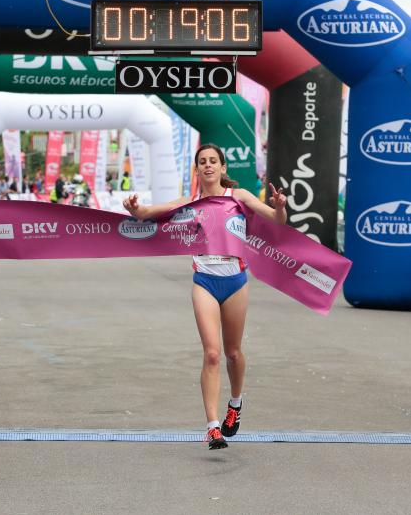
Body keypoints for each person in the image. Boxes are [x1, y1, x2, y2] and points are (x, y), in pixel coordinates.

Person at [122, 143, 287, 450]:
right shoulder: (190, 203)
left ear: (223, 168)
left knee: (233, 353)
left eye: (213, 161)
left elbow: (278, 221)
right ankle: (212, 426)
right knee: (211, 353)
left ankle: (235, 405)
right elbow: (147, 213)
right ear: (196, 170)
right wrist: (134, 208)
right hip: (204, 281)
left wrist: (279, 205)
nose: (208, 165)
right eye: (202, 162)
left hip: (236, 280)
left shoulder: (238, 198)